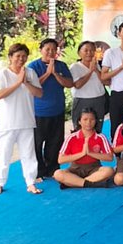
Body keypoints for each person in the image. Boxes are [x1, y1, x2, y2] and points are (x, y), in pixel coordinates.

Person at [0, 43, 43, 195]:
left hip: (26, 121)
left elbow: (39, 93)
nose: (21, 59)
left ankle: (31, 182)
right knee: (4, 154)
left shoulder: (31, 73)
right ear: (10, 58)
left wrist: (26, 82)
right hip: (7, 123)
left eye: (23, 56)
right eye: (17, 56)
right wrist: (18, 82)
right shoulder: (3, 74)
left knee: (28, 154)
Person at [26, 38, 73, 180]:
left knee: (55, 142)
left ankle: (52, 168)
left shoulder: (61, 66)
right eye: (48, 49)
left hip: (57, 110)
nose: (51, 52)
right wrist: (47, 73)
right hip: (39, 112)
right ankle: (39, 170)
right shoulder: (33, 66)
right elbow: (33, 86)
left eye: (54, 49)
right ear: (41, 50)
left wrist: (55, 73)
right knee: (37, 143)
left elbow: (70, 83)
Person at [53, 108, 114, 189]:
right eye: (85, 119)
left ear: (95, 121)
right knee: (58, 173)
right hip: (75, 168)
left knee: (109, 170)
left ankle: (73, 183)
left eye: (91, 119)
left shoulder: (100, 137)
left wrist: (90, 153)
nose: (88, 122)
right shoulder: (72, 137)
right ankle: (90, 184)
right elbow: (60, 160)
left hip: (94, 168)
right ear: (79, 121)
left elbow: (110, 157)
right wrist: (82, 153)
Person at [69, 41, 107, 132]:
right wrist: (90, 71)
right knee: (80, 129)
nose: (89, 53)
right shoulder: (75, 67)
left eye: (92, 50)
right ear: (79, 53)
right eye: (86, 50)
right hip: (82, 101)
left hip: (99, 100)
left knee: (97, 128)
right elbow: (77, 85)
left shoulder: (98, 65)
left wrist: (96, 70)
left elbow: (105, 81)